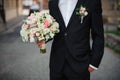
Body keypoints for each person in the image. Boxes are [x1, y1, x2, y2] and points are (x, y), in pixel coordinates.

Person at [37, 0, 104, 80]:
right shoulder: (53, 2)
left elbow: (98, 34)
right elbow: (54, 28)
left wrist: (94, 62)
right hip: (57, 63)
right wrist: (44, 37)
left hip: (80, 63)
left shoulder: (92, 2)